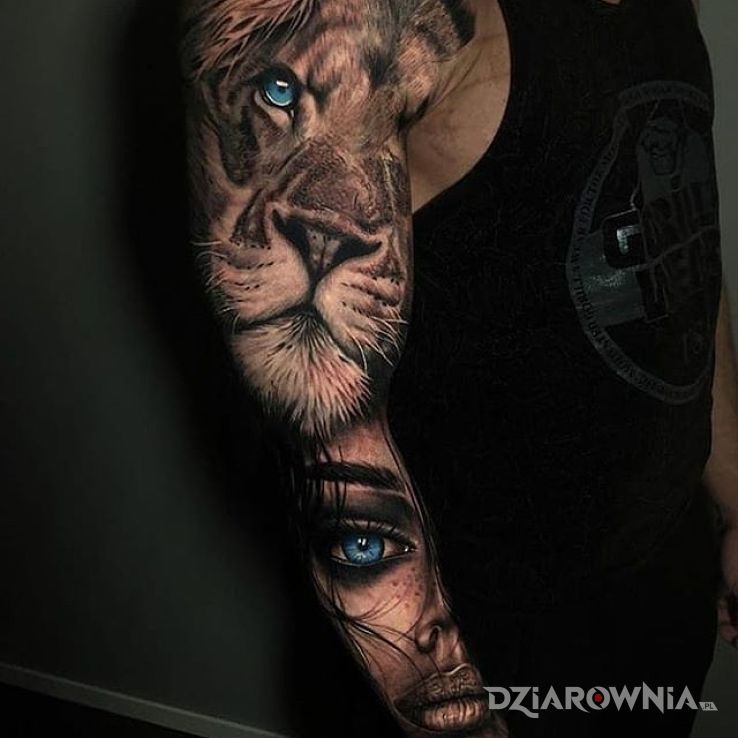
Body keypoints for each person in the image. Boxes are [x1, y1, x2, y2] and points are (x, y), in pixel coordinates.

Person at [180, 0, 737, 735]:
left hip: (664, 577)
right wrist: (449, 710)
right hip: (472, 630)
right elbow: (322, 439)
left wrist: (734, 499)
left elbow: (676, 244)